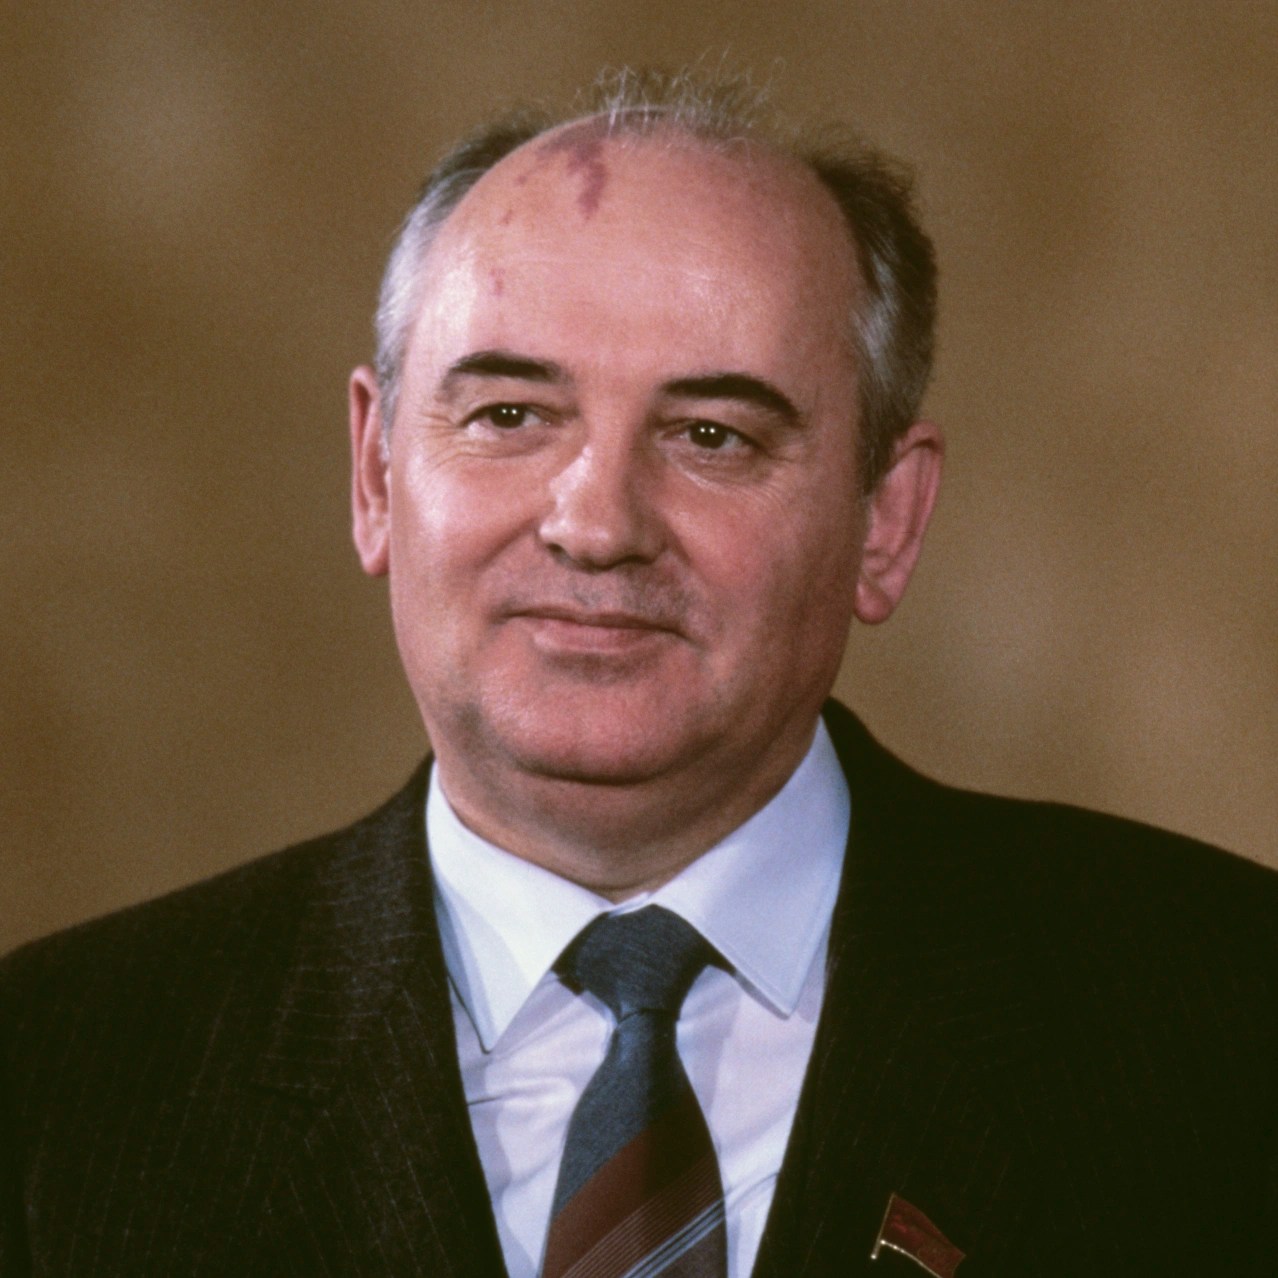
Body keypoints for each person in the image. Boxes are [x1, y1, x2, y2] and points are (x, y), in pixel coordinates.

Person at [2, 70, 1275, 1278]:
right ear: (376, 474)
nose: (596, 524)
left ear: (886, 520)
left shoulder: (1225, 1019)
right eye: (509, 416)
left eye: (712, 435)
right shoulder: (55, 1083)